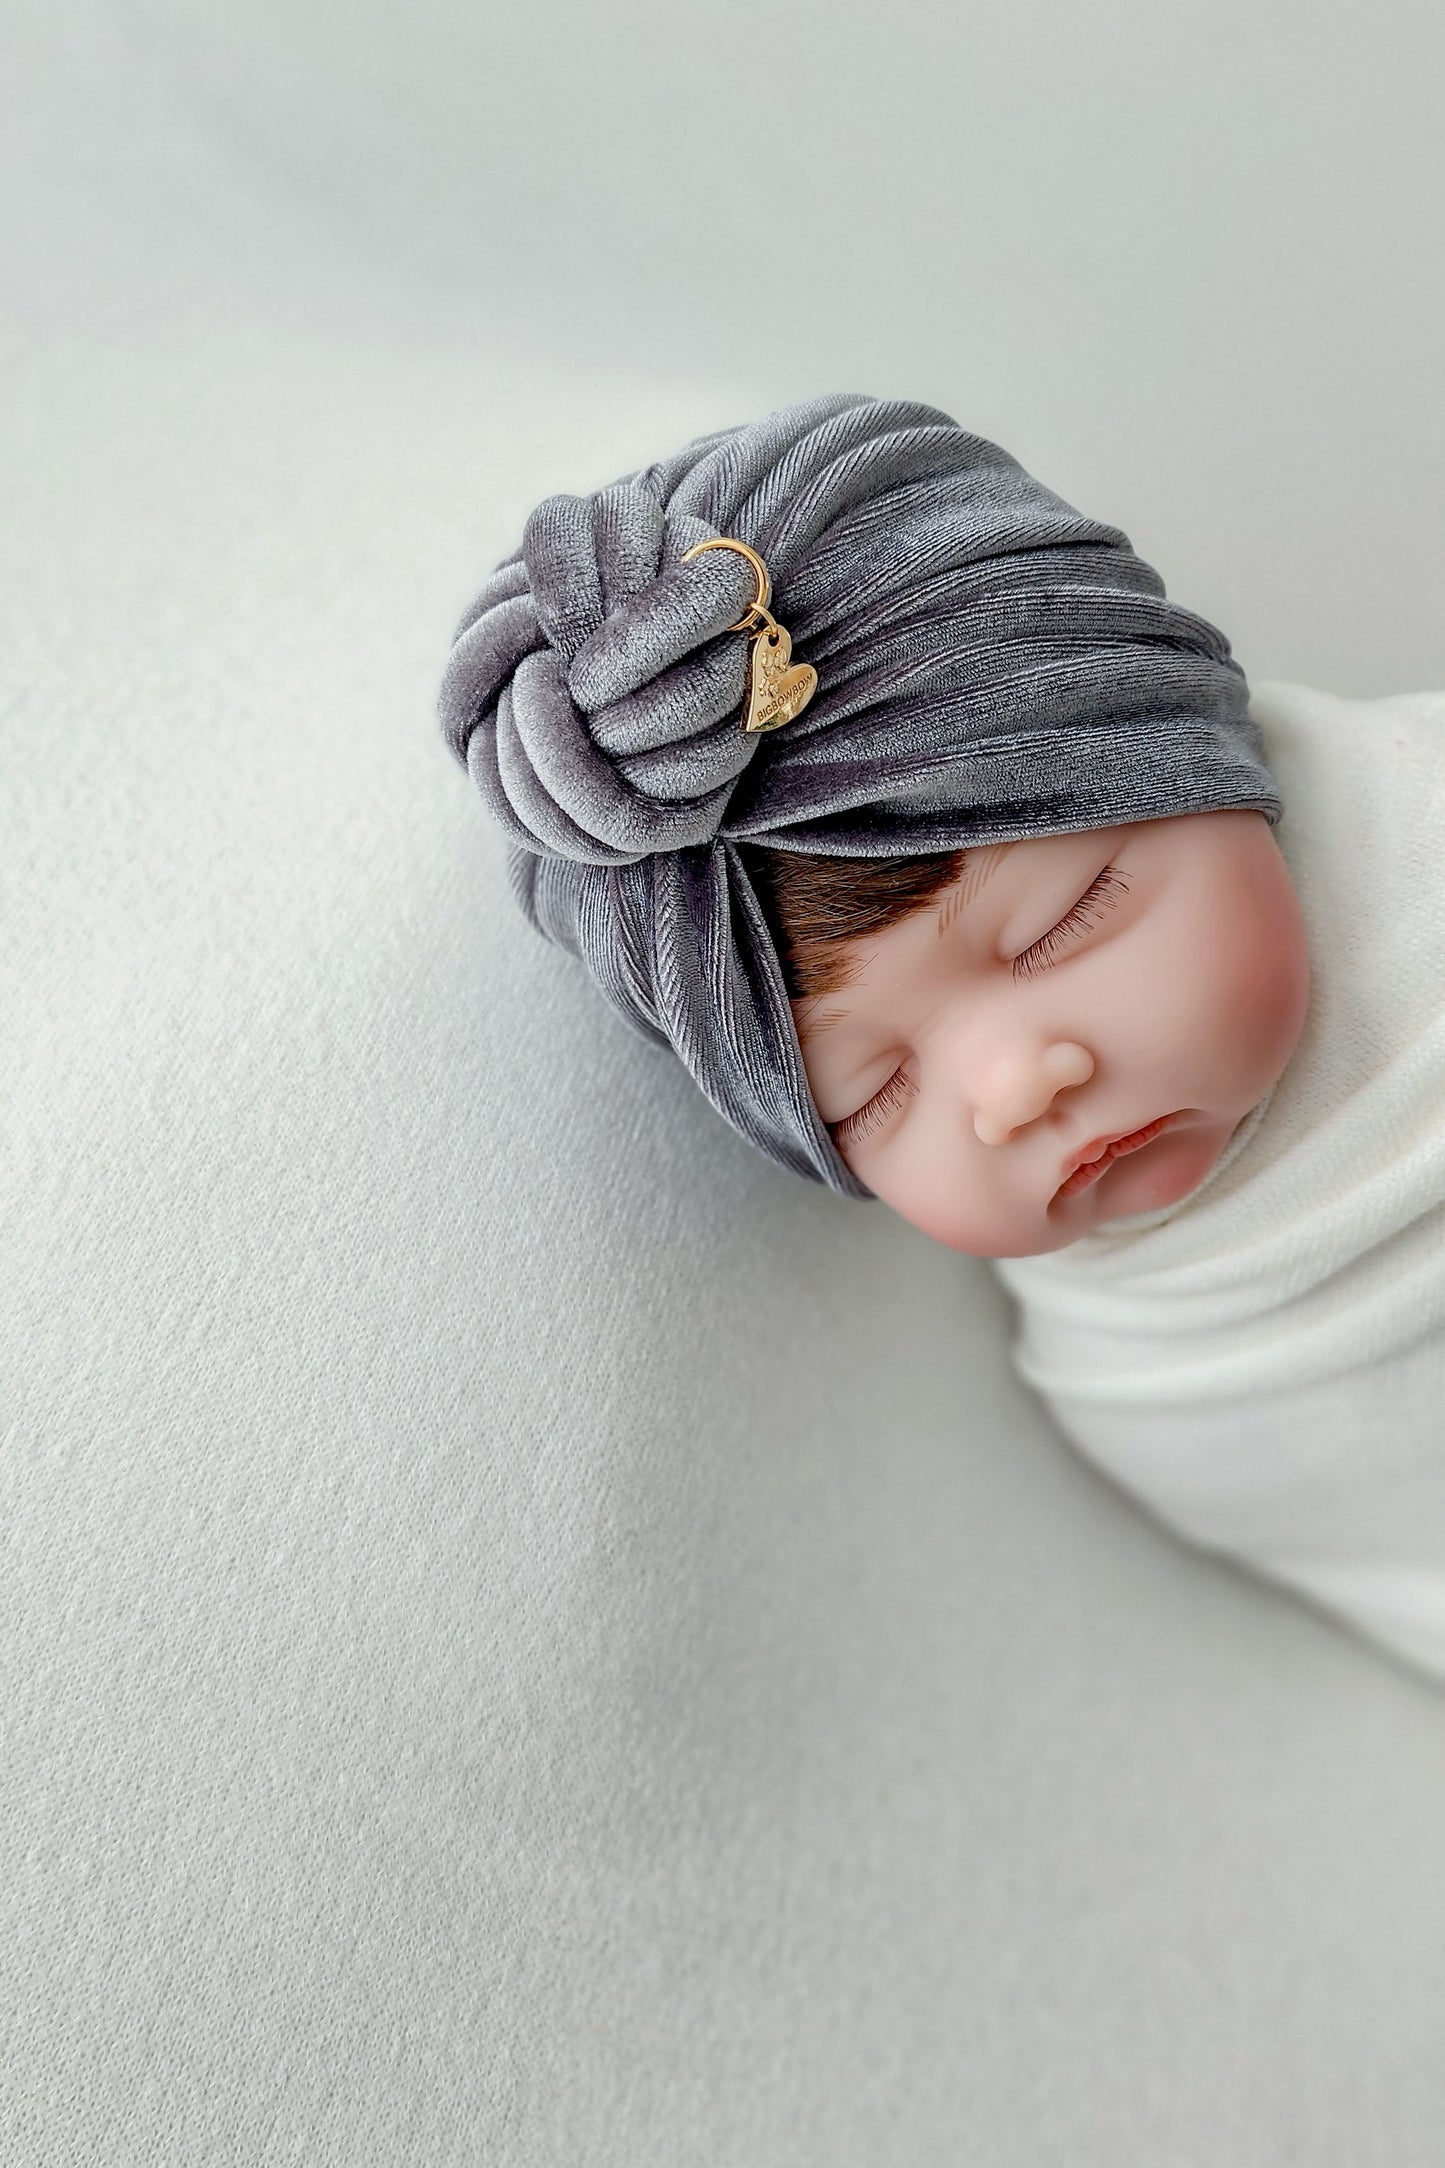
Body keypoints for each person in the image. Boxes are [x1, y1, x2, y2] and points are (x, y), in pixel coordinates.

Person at [436, 392, 1445, 1686]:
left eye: (1062, 922)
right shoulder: (1147, 1376)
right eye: (873, 1094)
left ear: (1201, 752)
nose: (1012, 1087)